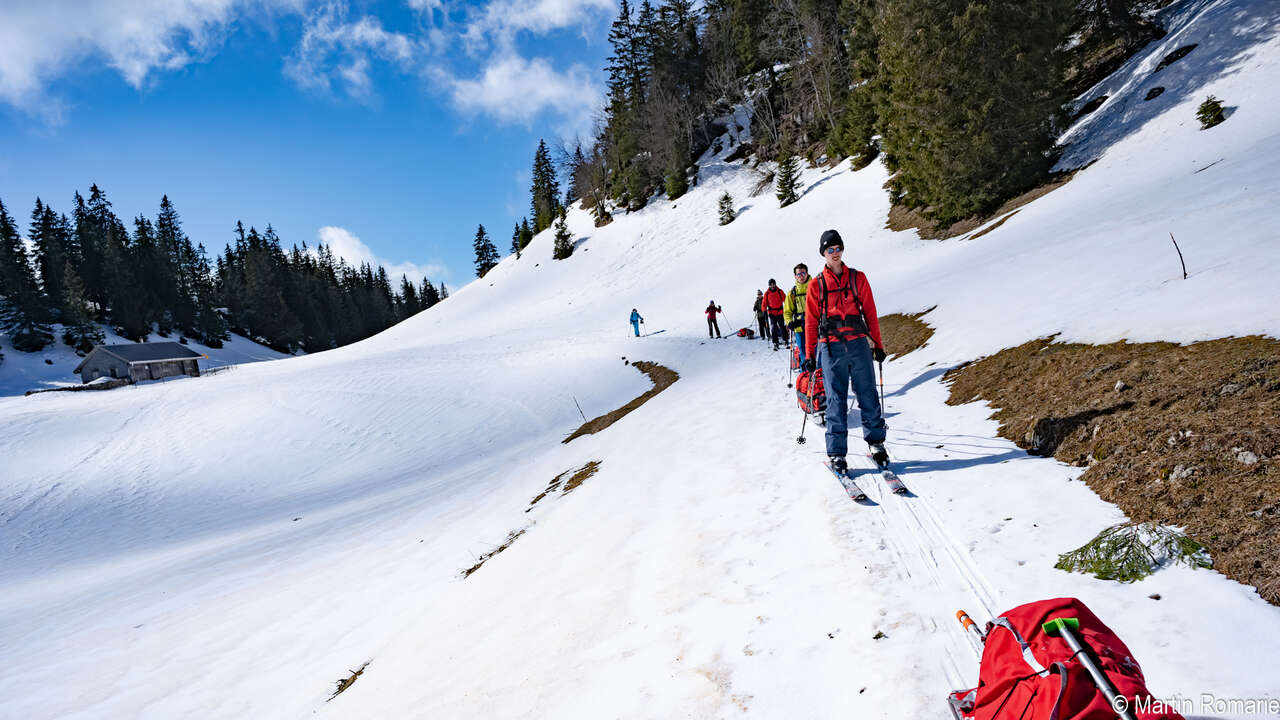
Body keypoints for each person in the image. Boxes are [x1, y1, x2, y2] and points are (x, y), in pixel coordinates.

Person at [802, 229, 888, 473]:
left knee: (867, 394)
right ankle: (837, 453)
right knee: (836, 400)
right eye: (830, 250)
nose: (835, 254)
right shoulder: (816, 285)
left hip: (858, 344)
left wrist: (878, 345)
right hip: (830, 347)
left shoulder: (857, 278)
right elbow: (810, 322)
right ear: (823, 254)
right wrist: (809, 356)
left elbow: (870, 312)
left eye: (838, 249)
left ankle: (876, 443)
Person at [783, 263, 811, 363]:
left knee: (818, 352)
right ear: (795, 276)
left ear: (807, 273)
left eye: (803, 273)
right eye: (798, 274)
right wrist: (790, 322)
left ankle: (820, 375)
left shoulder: (815, 288)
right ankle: (805, 375)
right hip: (799, 328)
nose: (801, 276)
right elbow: (787, 312)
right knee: (803, 352)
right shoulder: (792, 293)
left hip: (815, 326)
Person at [762, 279, 788, 351]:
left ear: (775, 284)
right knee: (774, 328)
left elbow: (785, 300)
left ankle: (785, 340)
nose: (772, 286)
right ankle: (775, 343)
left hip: (780, 312)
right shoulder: (767, 294)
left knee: (782, 327)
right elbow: (764, 304)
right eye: (771, 284)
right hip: (772, 313)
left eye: (773, 284)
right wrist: (764, 311)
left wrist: (788, 308)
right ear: (769, 285)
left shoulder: (780, 291)